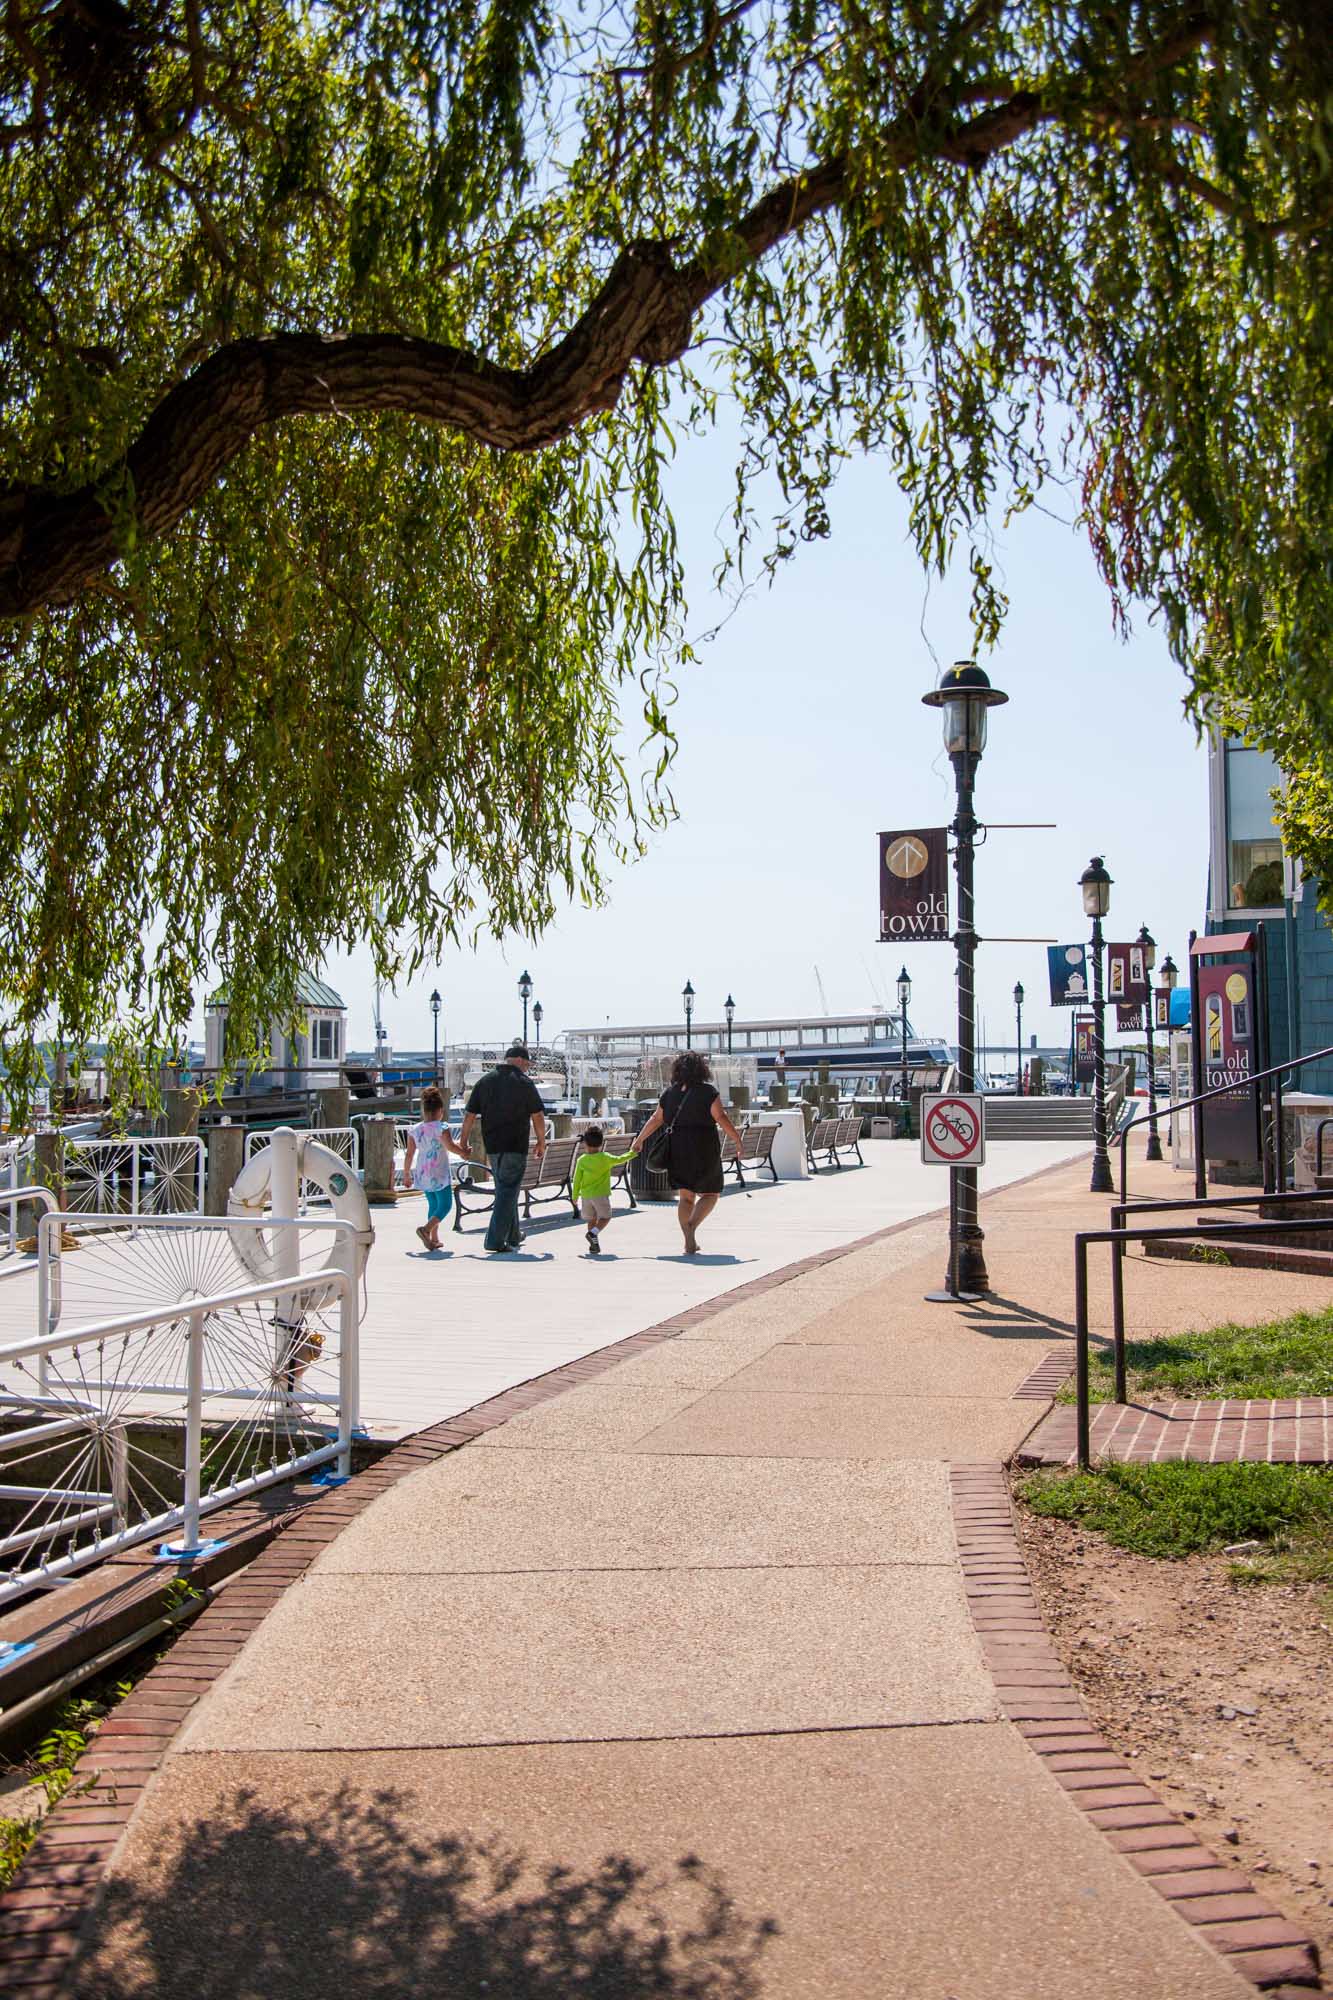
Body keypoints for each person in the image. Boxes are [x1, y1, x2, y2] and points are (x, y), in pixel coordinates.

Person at [632, 1050, 743, 1255]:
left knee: (686, 1197)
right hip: (704, 1148)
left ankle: (688, 1240)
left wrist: (639, 1140)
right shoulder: (708, 1092)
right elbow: (720, 1117)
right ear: (701, 1070)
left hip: (678, 1148)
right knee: (711, 1193)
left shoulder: (669, 1093)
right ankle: (691, 1227)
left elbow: (656, 1119)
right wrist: (737, 1139)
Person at [459, 1044, 547, 1254]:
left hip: (493, 1146)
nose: (526, 1068)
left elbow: (470, 1115)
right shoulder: (524, 1083)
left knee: (506, 1189)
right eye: (526, 1064)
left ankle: (514, 1234)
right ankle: (495, 1240)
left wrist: (463, 1142)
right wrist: (541, 1141)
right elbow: (537, 1115)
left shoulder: (485, 1081)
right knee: (508, 1191)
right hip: (515, 1145)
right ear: (517, 1060)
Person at [402, 1084, 469, 1253]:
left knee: (433, 1204)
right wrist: (464, 1153)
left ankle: (433, 1238)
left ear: (424, 1110)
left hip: (423, 1172)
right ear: (440, 1110)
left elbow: (409, 1155)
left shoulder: (415, 1130)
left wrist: (406, 1174)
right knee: (445, 1205)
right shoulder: (442, 1127)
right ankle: (426, 1230)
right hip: (438, 1172)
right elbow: (451, 1147)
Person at [570, 1125, 635, 1256]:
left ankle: (593, 1245)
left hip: (586, 1196)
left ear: (585, 1144)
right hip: (600, 1195)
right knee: (606, 1217)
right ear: (601, 1143)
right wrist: (633, 1153)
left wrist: (575, 1195)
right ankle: (593, 1234)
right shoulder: (605, 1157)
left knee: (591, 1220)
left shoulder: (581, 1160)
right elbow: (620, 1159)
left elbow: (576, 1180)